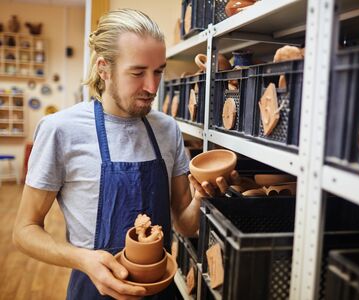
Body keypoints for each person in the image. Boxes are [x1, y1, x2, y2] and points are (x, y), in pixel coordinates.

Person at [12, 8, 238, 300]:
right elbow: (25, 230)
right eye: (138, 72)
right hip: (94, 290)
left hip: (161, 289)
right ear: (104, 68)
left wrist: (202, 195)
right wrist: (82, 259)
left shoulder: (167, 130)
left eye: (158, 71)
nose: (152, 86)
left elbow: (185, 223)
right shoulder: (61, 130)